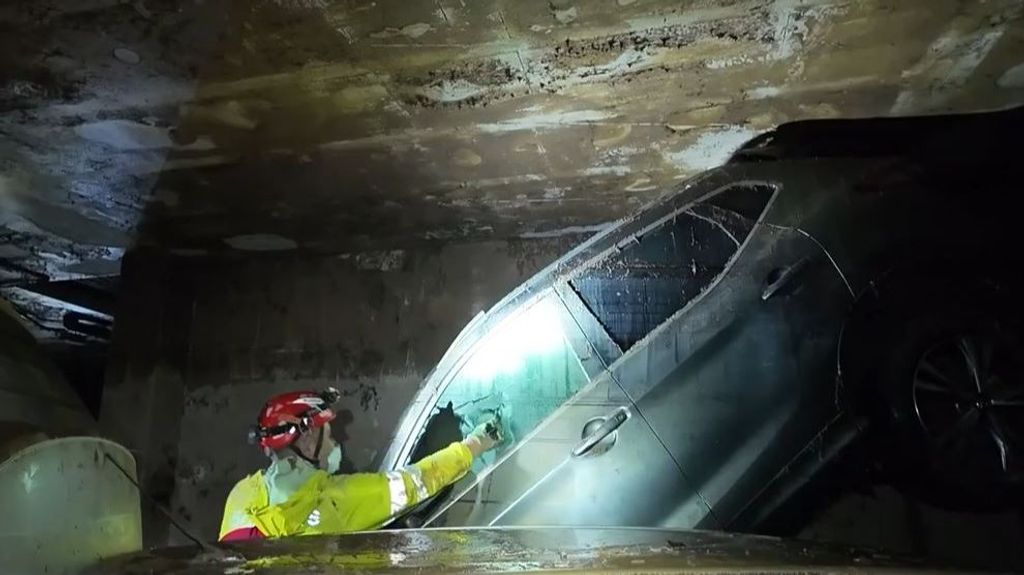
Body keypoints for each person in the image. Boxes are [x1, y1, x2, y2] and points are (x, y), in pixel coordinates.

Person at [218, 388, 499, 541]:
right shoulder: (329, 502)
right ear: (305, 440)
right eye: (329, 436)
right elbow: (413, 483)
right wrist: (474, 445)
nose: (335, 445)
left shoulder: (240, 495)